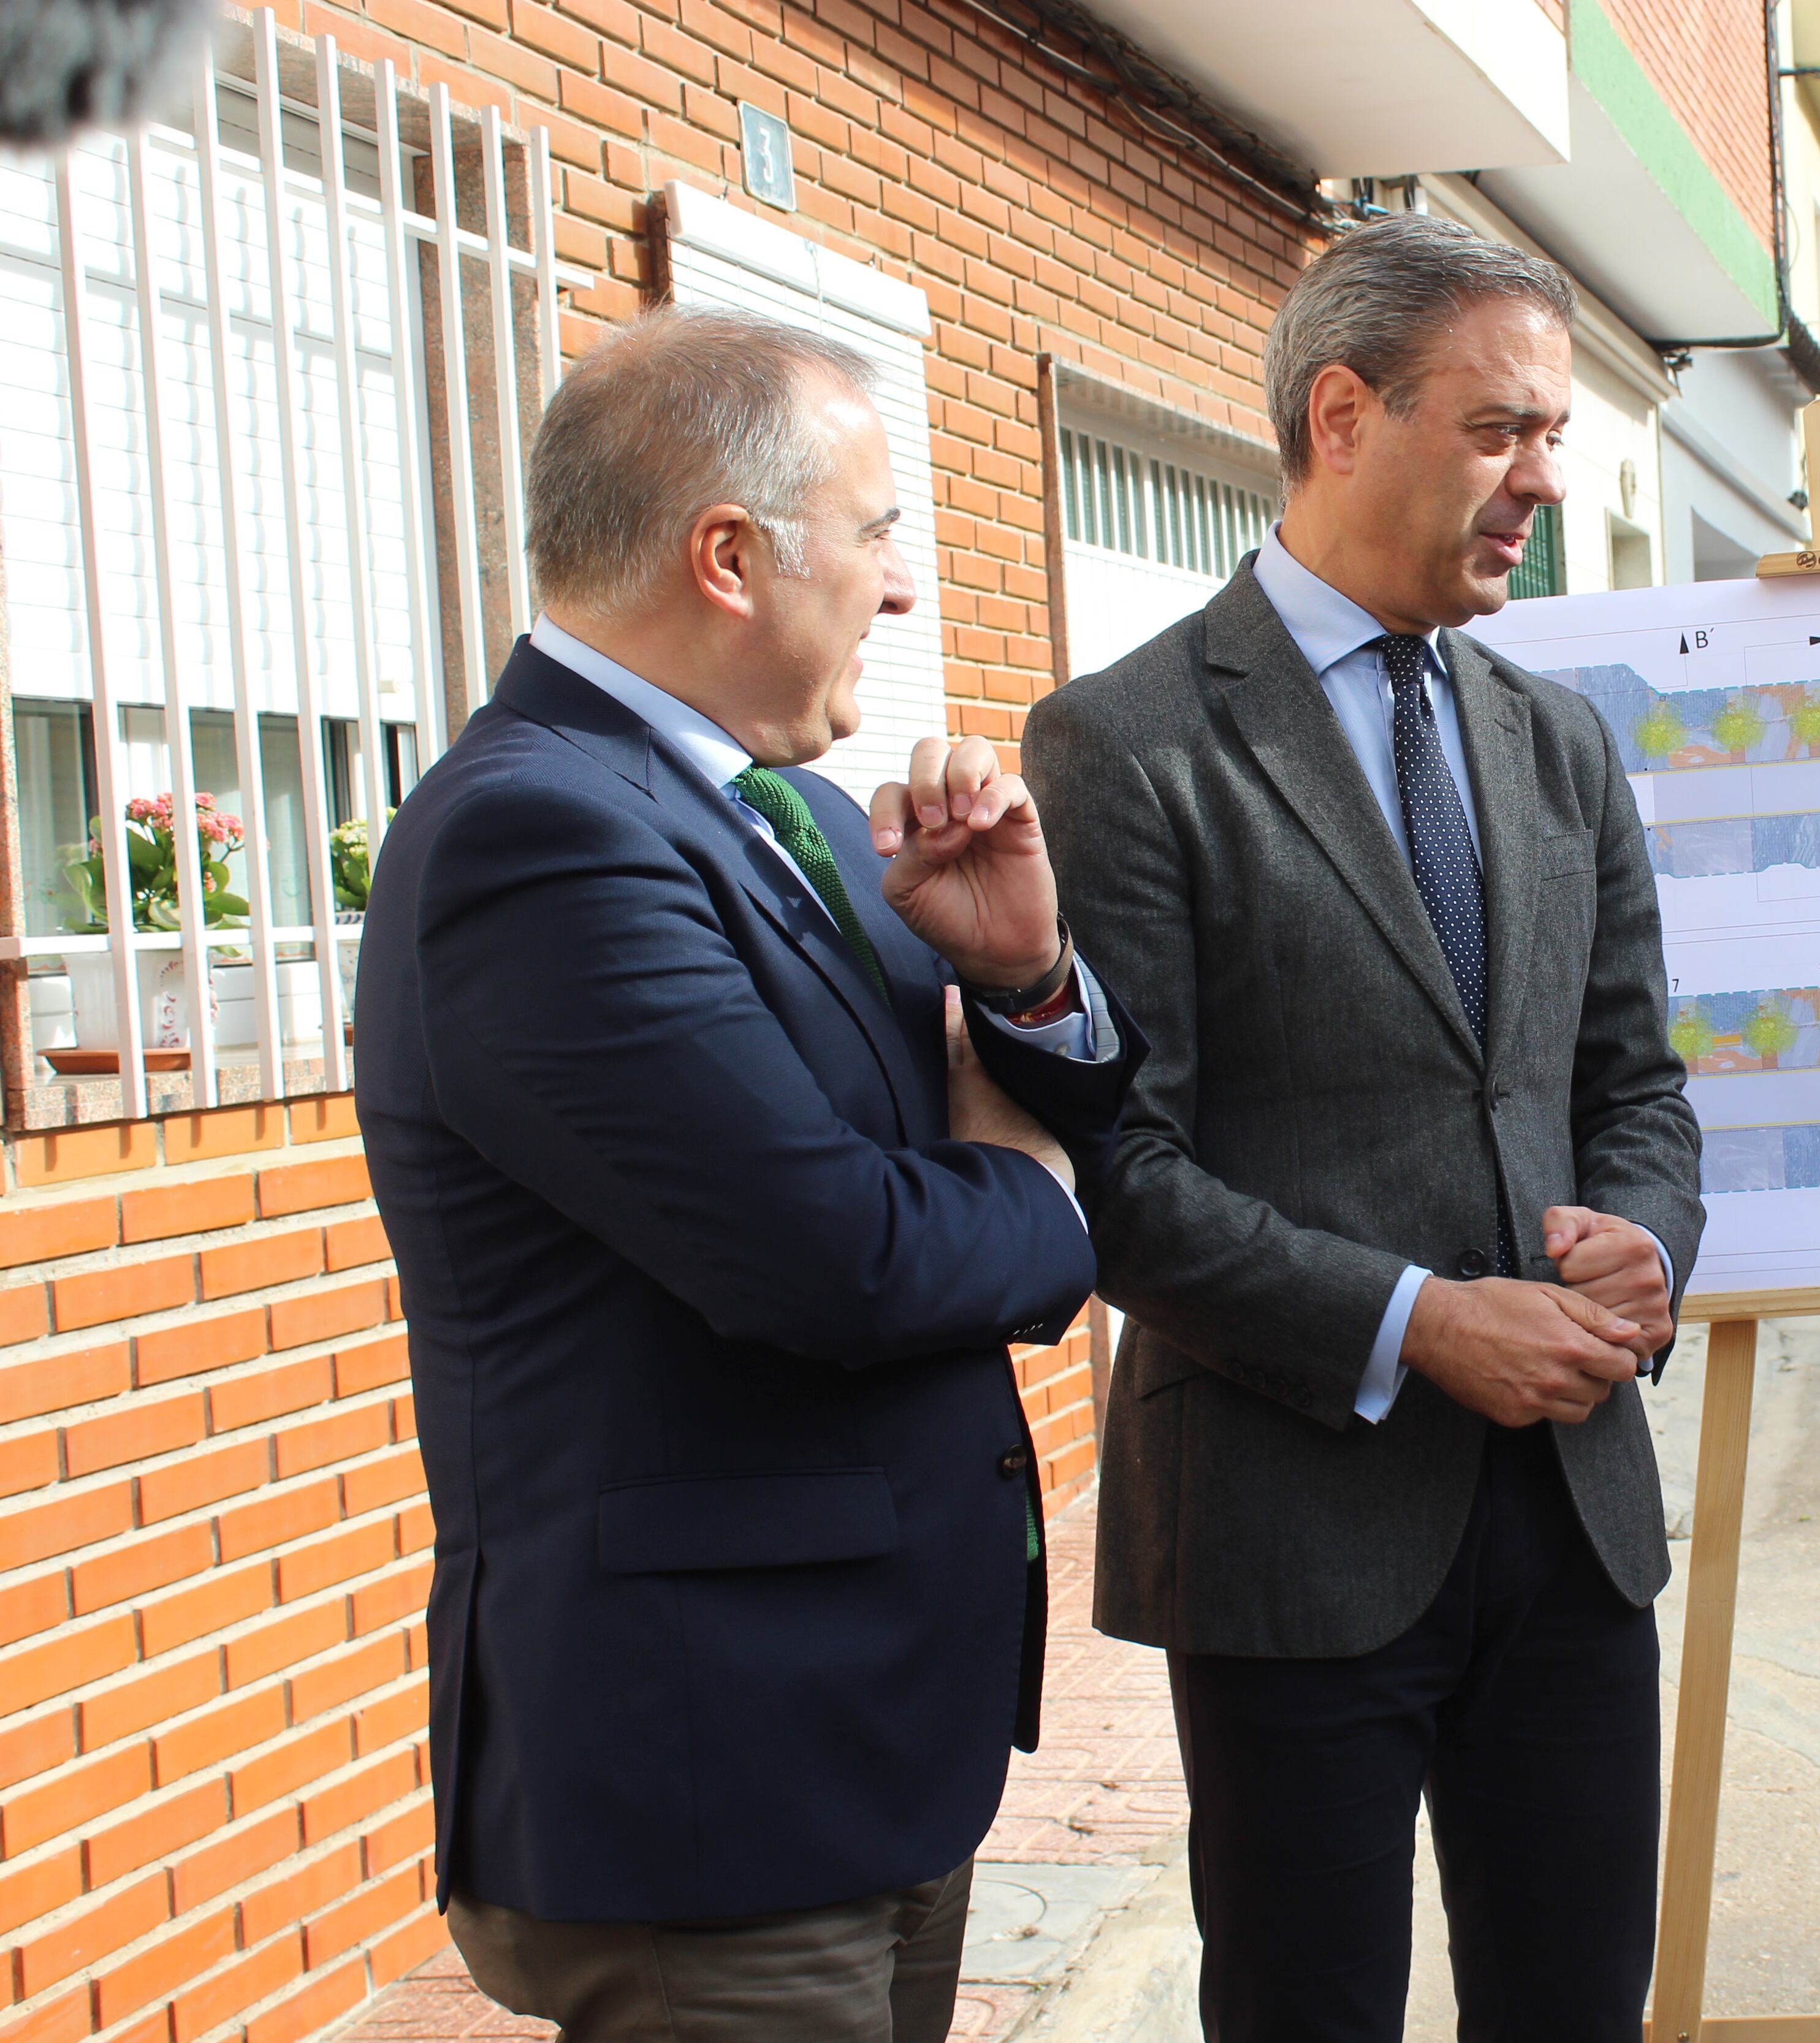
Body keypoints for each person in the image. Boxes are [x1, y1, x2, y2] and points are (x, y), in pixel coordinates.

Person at [357, 304, 1140, 2041]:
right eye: (877, 536)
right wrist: (1040, 1197)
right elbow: (840, 1256)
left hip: (862, 1740)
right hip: (712, 1783)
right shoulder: (539, 835)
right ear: (730, 556)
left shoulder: (769, 817)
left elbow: (983, 1110)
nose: (904, 590)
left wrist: (1022, 979)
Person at [1021, 212, 1704, 2041]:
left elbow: (1633, 1084)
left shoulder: (1561, 738)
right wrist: (1424, 1320)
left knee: (1574, 2008)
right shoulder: (1128, 740)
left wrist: (1646, 1240)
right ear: (1342, 413)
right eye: (1501, 431)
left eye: (1553, 437)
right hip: (1289, 1514)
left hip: (1570, 1518)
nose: (1541, 482)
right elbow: (1126, 1173)